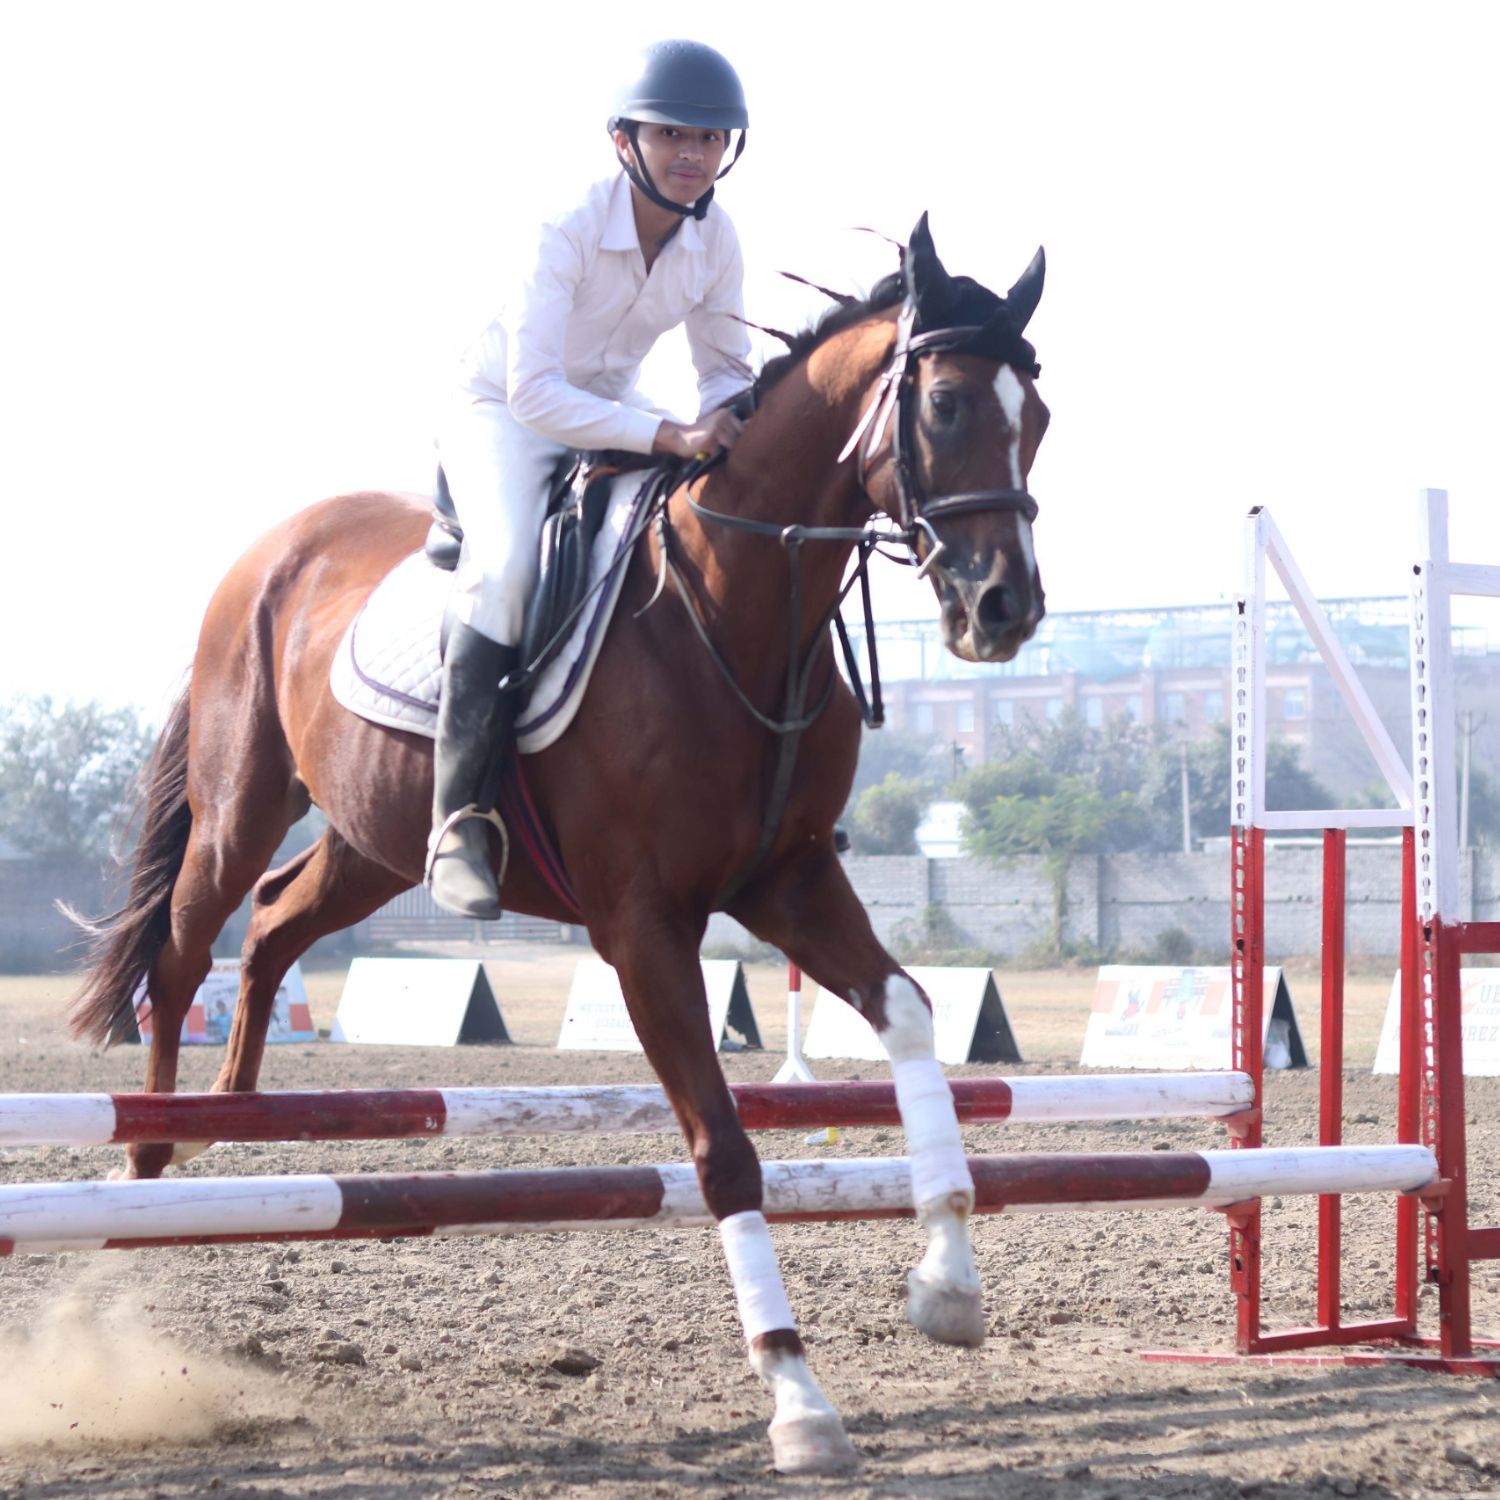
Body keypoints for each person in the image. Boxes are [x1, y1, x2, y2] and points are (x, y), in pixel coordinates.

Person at [428, 39, 753, 919]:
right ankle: (458, 820)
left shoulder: (715, 238)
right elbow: (536, 393)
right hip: (502, 411)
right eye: (674, 136)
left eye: (711, 139)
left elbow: (724, 369)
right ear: (626, 142)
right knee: (507, 570)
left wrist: (749, 428)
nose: (694, 155)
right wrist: (671, 431)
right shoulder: (564, 222)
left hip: (610, 401)